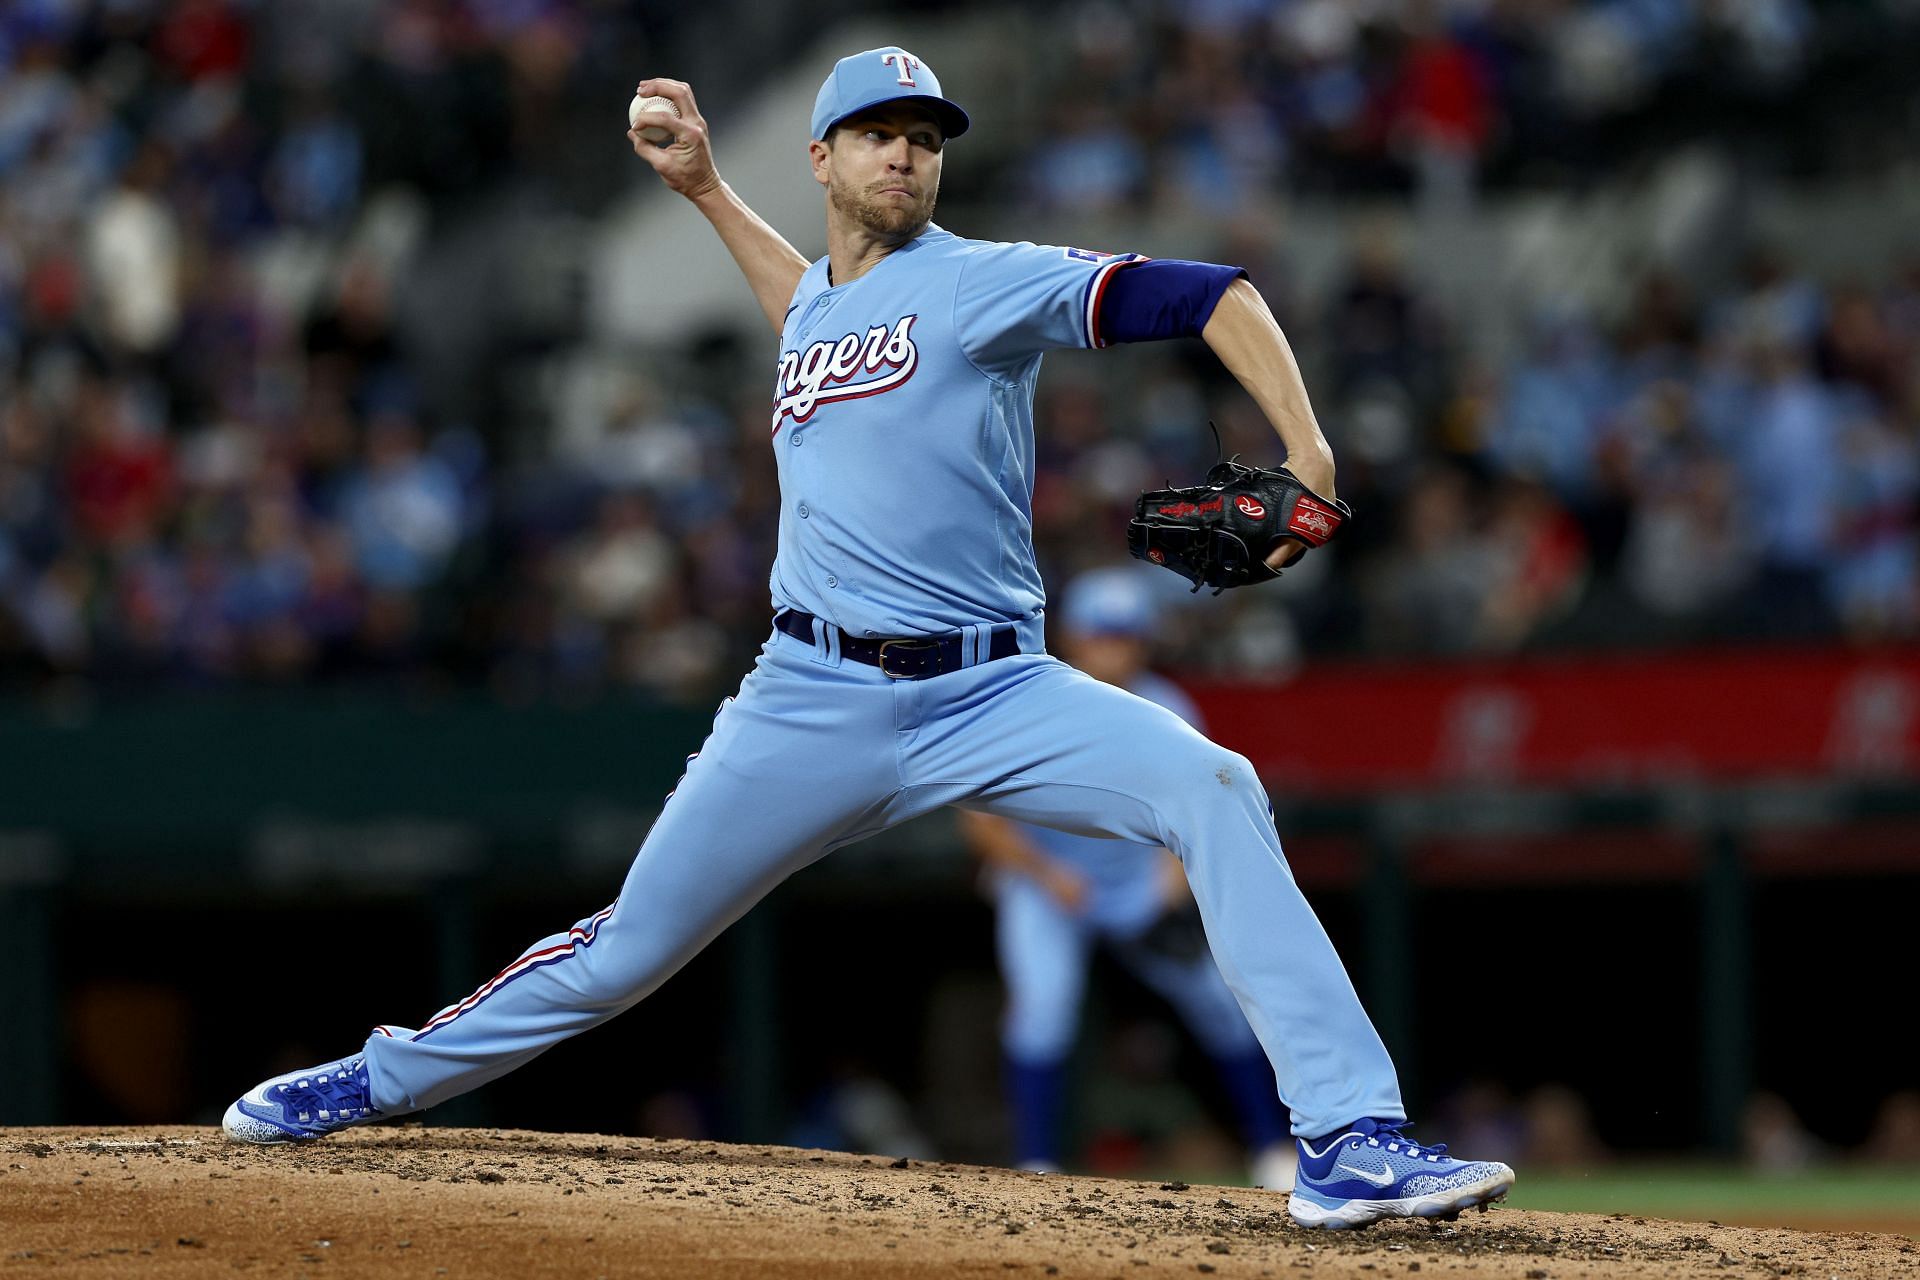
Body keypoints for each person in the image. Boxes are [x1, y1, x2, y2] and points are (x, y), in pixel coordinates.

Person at [222, 46, 1515, 1230]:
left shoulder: (980, 284)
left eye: (924, 136)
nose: (904, 153)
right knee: (621, 953)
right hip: (809, 699)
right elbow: (819, 317)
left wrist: (1310, 449)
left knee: (1216, 785)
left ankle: (1349, 1136)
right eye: (877, 132)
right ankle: (369, 1079)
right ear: (824, 159)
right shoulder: (822, 314)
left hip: (997, 692)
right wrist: (708, 194)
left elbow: (1209, 292)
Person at [963, 567, 1296, 1190]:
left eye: (1126, 635)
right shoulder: (1030, 699)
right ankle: (1037, 1160)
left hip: (1133, 882)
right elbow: (979, 822)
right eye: (1102, 635)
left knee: (1220, 1005)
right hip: (1047, 885)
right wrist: (1045, 874)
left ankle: (1272, 1148)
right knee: (1043, 1010)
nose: (1115, 648)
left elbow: (1199, 812)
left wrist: (1170, 879)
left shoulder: (1169, 706)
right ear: (1073, 637)